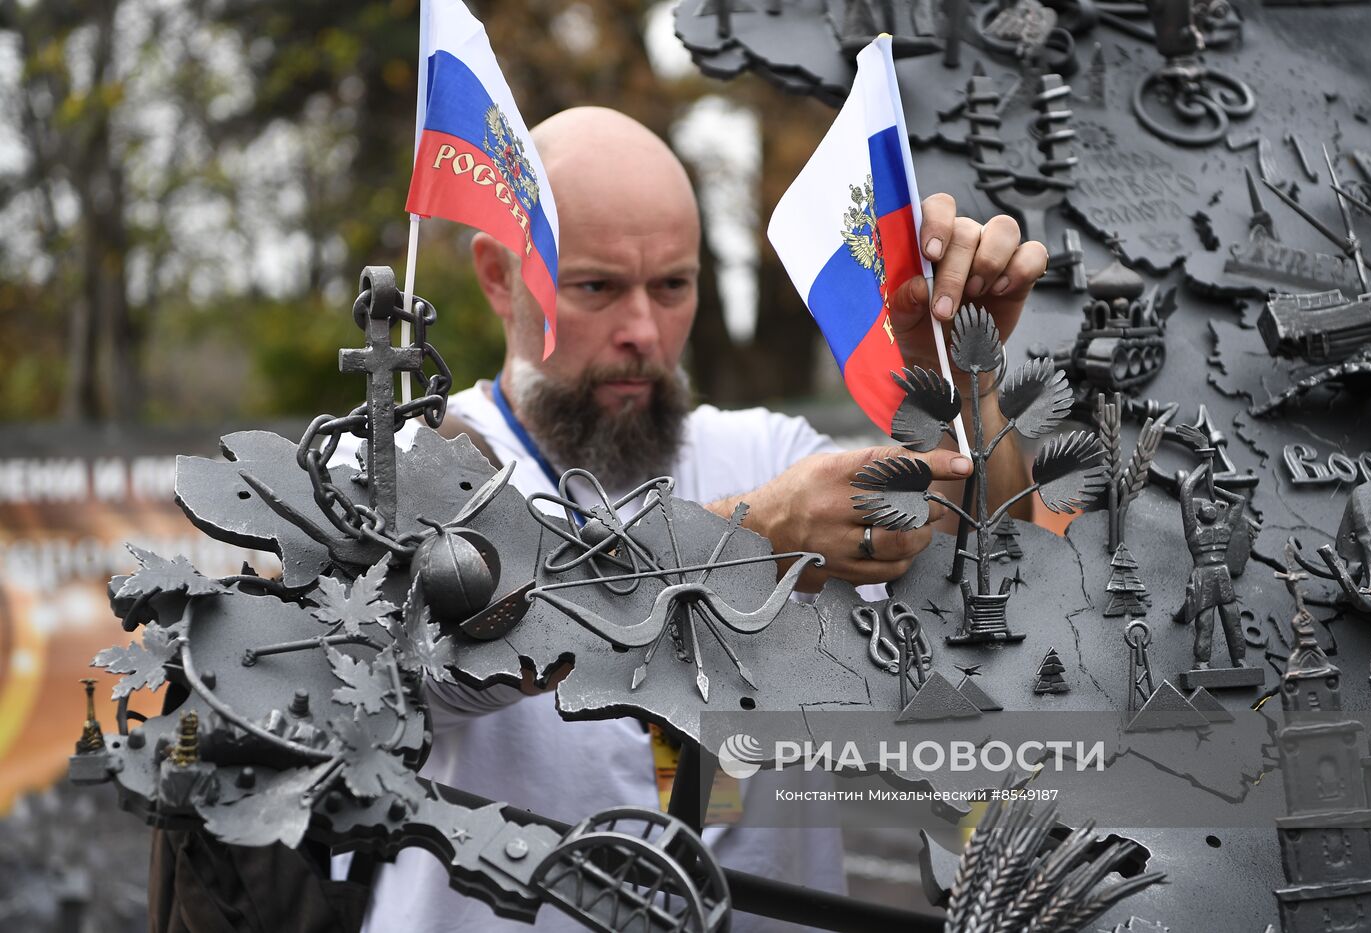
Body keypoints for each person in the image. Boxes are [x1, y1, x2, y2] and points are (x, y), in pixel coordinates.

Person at [357, 106, 1049, 932]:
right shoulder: (393, 468)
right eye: (596, 287)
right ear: (501, 276)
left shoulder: (770, 453)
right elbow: (406, 672)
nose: (644, 331)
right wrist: (744, 535)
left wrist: (963, 381)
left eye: (673, 284)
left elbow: (991, 571)